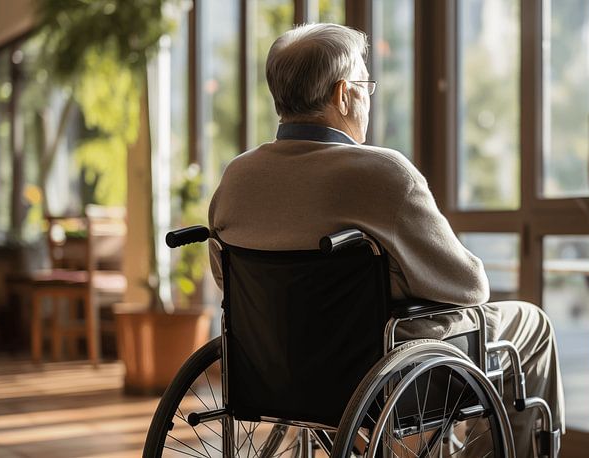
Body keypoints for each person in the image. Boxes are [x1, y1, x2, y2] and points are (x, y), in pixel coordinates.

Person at [208, 23, 564, 456]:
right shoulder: (381, 174)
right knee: (532, 324)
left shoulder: (238, 176)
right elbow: (468, 287)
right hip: (376, 365)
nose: (368, 98)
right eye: (365, 85)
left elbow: (227, 276)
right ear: (343, 94)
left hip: (272, 368)